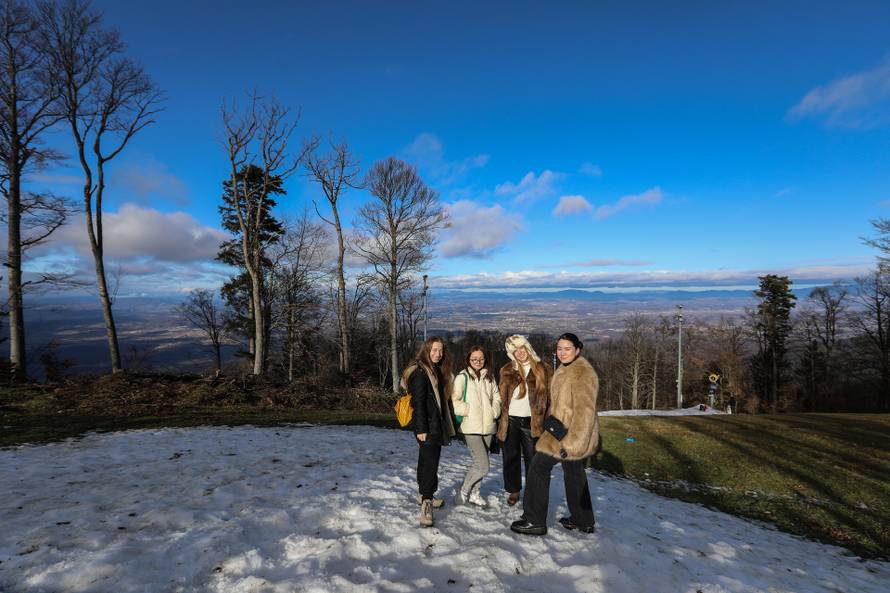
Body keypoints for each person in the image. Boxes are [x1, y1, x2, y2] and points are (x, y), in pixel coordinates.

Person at [511, 332, 599, 536]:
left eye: (567, 348)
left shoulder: (582, 373)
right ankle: (583, 520)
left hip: (569, 436)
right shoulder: (566, 368)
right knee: (574, 473)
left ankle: (535, 520)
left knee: (537, 468)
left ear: (578, 350)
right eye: (559, 348)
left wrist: (574, 443)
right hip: (560, 430)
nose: (562, 352)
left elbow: (586, 412)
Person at [401, 336, 456, 527]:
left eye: (440, 350)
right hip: (428, 426)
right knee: (431, 464)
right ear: (426, 350)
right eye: (434, 350)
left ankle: (424, 494)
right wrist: (422, 429)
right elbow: (418, 404)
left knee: (425, 461)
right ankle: (426, 502)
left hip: (434, 424)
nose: (438, 354)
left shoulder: (434, 370)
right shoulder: (420, 373)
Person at [497, 334, 552, 507]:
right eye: (515, 350)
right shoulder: (507, 369)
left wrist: (549, 423)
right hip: (510, 421)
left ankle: (532, 492)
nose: (519, 352)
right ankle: (514, 491)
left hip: (532, 423)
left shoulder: (544, 369)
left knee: (532, 460)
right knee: (511, 458)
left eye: (522, 348)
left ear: (527, 347)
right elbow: (501, 397)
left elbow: (552, 399)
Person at [452, 345, 502, 507]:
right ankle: (464, 490)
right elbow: (454, 400)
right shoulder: (462, 377)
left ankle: (475, 493)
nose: (478, 362)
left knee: (479, 463)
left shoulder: (490, 377)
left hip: (488, 426)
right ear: (468, 360)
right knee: (483, 466)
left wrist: (494, 411)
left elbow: (496, 396)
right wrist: (467, 410)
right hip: (470, 427)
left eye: (481, 359)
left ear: (485, 359)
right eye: (474, 359)